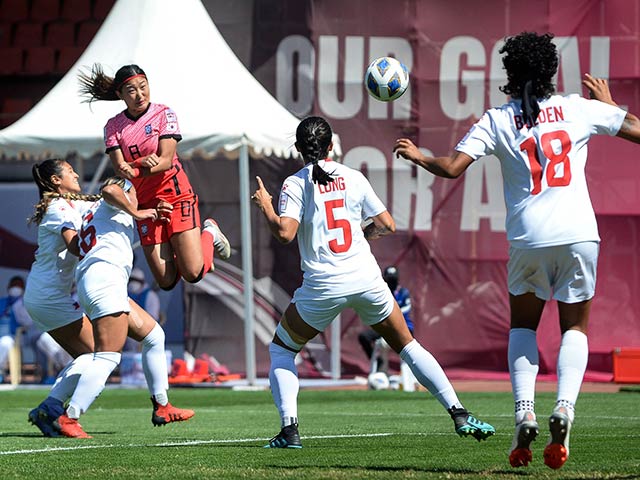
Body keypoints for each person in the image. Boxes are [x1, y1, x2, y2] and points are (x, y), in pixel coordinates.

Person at [393, 32, 640, 470]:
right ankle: (564, 407)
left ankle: (524, 411)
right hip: (579, 234)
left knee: (523, 326)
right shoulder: (580, 108)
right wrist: (612, 104)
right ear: (552, 72)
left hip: (528, 238)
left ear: (510, 75)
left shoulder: (498, 118)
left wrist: (418, 156)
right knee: (575, 327)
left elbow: (451, 169)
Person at [251, 116, 495, 449]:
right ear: (331, 146)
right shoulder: (353, 177)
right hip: (365, 277)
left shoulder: (296, 183)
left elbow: (285, 233)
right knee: (408, 345)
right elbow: (387, 224)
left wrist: (266, 206)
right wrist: (360, 236)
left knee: (282, 349)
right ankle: (459, 413)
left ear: (298, 148)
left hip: (324, 284)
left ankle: (289, 431)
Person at [24, 159, 193, 438]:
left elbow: (101, 205)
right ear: (55, 180)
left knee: (153, 336)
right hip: (58, 292)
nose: (77, 174)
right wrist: (137, 212)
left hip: (80, 286)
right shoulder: (59, 206)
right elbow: (106, 196)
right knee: (103, 356)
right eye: (69, 171)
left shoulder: (78, 204)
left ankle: (162, 405)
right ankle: (66, 414)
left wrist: (143, 212)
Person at [78, 64, 231, 291]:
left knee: (193, 273)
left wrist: (134, 167)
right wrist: (140, 162)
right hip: (146, 203)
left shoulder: (163, 114)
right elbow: (120, 168)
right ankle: (187, 250)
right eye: (131, 90)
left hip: (175, 194)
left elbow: (165, 161)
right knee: (166, 281)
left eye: (143, 86)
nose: (140, 95)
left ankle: (208, 231)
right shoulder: (113, 127)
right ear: (120, 95)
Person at [358, 265, 414, 374]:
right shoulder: (382, 292)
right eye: (389, 280)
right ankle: (378, 362)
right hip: (386, 326)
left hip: (404, 327)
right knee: (364, 337)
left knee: (390, 342)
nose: (391, 283)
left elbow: (404, 311)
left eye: (393, 280)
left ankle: (410, 373)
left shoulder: (403, 293)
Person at [123, 267, 161, 352]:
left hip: (144, 334)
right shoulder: (124, 293)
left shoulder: (150, 296)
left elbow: (153, 318)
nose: (133, 283)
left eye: (136, 280)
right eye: (131, 280)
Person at [0, 276, 24, 383]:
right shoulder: (2, 302)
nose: (15, 288)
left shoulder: (25, 303)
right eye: (14, 285)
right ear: (8, 287)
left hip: (16, 336)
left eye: (18, 286)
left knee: (6, 342)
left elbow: (27, 323)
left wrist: (18, 305)